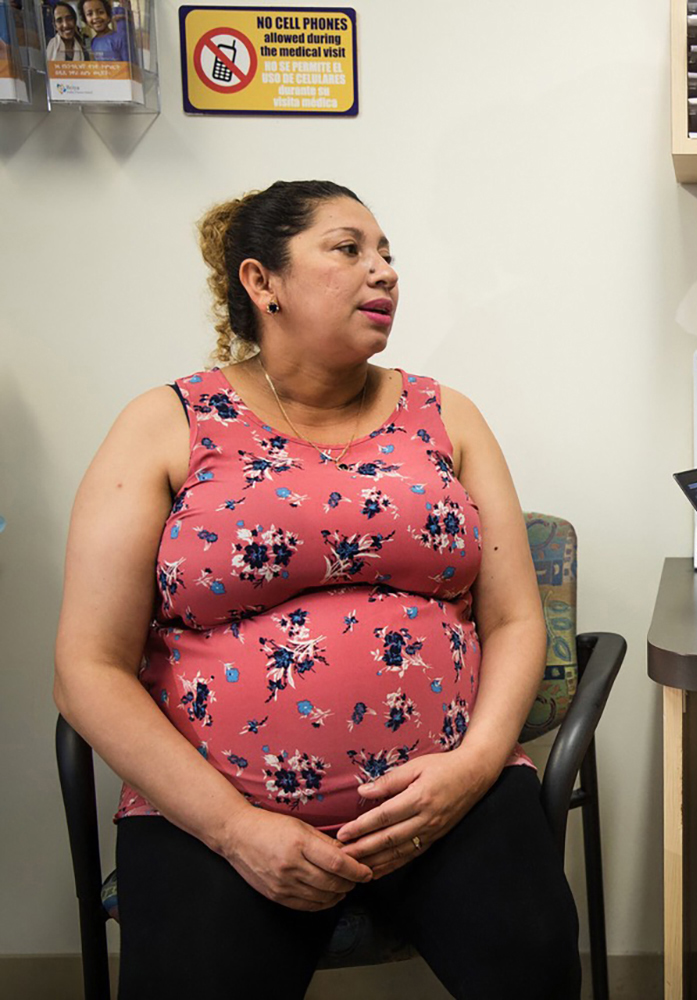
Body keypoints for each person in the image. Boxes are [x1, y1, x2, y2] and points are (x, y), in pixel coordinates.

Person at [53, 180, 580, 1000]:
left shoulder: (448, 416)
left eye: (388, 256)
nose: (384, 273)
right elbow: (88, 666)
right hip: (217, 810)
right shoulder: (167, 424)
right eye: (349, 249)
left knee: (534, 961)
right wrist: (234, 829)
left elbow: (515, 618)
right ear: (263, 283)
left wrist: (474, 768)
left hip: (445, 796)